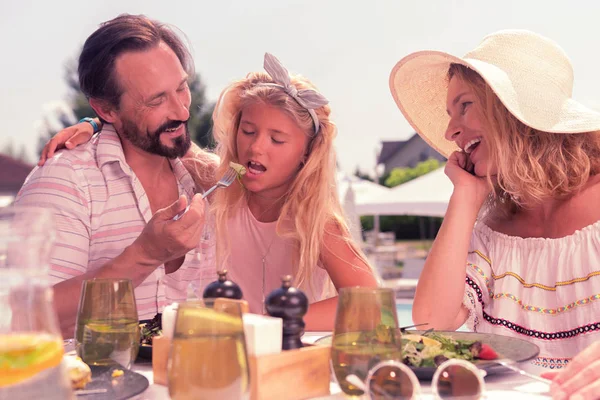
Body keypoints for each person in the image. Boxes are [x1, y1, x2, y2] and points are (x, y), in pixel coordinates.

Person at [39, 53, 379, 330]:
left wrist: (265, 324)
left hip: (283, 361)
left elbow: (370, 304)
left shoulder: (314, 221)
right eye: (248, 131)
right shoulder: (218, 185)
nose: (256, 148)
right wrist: (96, 123)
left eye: (277, 139)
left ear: (307, 152)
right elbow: (157, 129)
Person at [388, 29, 600, 395]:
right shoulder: (492, 231)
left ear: (515, 110)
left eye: (465, 105)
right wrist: (465, 198)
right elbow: (429, 322)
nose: (451, 131)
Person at [17, 14, 218, 337]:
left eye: (182, 88)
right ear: (106, 110)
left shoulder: (207, 180)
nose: (182, 111)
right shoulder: (67, 180)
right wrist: (144, 256)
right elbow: (22, 316)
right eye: (157, 100)